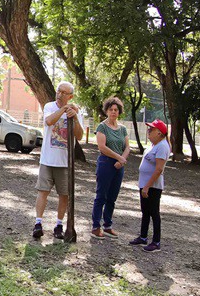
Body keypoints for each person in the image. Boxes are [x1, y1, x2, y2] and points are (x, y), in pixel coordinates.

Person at [33, 81, 85, 240]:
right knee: (43, 191)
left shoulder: (77, 112)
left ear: (71, 96)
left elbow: (79, 136)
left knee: (64, 195)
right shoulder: (49, 106)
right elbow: (49, 121)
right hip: (47, 160)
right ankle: (38, 223)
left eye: (64, 93)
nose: (60, 94)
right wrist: (63, 109)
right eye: (59, 91)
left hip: (65, 163)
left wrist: (75, 117)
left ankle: (59, 225)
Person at [91, 96, 130, 238]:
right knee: (101, 195)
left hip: (119, 166)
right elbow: (102, 146)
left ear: (119, 112)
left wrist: (122, 160)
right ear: (106, 111)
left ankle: (108, 225)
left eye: (116, 110)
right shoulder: (102, 127)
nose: (113, 112)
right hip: (106, 163)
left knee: (112, 197)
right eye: (111, 109)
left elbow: (127, 147)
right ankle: (96, 227)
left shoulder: (123, 129)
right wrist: (118, 157)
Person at [130, 120, 170, 252]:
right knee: (145, 211)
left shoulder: (162, 146)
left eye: (151, 129)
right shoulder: (154, 145)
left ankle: (156, 242)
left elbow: (159, 169)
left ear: (159, 132)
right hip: (145, 184)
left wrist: (147, 186)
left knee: (154, 213)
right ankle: (143, 237)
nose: (148, 131)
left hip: (153, 186)